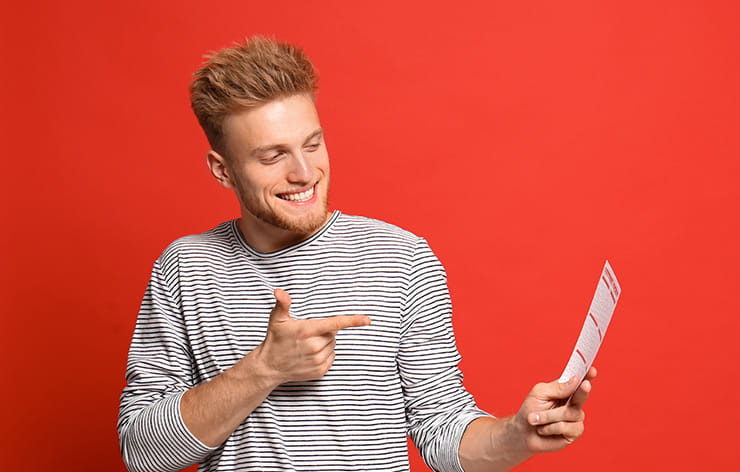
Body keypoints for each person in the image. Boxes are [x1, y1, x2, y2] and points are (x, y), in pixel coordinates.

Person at [118, 36, 596, 472]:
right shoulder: (187, 266)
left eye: (313, 143)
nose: (304, 172)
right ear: (222, 171)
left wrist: (518, 434)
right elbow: (142, 453)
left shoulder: (402, 257)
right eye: (272, 156)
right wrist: (263, 369)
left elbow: (443, 428)